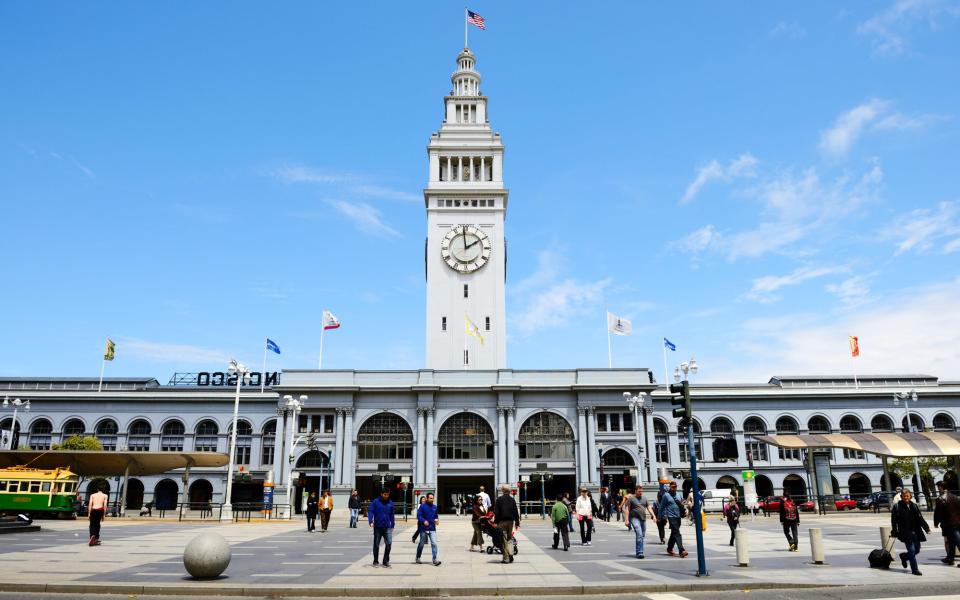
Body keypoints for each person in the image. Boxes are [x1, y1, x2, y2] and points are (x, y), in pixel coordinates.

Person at [892, 489, 930, 576]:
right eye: (904, 496)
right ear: (902, 497)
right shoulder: (897, 506)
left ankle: (904, 557)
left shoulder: (914, 506)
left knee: (917, 550)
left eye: (907, 496)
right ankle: (915, 569)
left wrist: (926, 528)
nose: (906, 498)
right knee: (912, 551)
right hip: (905, 532)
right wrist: (895, 531)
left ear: (910, 497)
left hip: (916, 531)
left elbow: (920, 518)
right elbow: (893, 521)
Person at [933, 481, 960, 566]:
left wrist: (936, 523)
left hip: (952, 524)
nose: (938, 488)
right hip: (951, 523)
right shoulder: (952, 497)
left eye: (938, 487)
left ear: (941, 487)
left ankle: (950, 558)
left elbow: (937, 512)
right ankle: (950, 558)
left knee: (958, 541)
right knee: (951, 541)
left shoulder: (946, 498)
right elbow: (937, 512)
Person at [657, 481, 688, 558]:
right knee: (677, 533)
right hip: (671, 517)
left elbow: (682, 504)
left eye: (675, 487)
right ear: (670, 487)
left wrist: (685, 511)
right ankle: (682, 550)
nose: (674, 488)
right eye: (673, 487)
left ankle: (669, 548)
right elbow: (661, 507)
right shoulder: (666, 496)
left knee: (674, 533)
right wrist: (659, 517)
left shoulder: (679, 494)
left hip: (678, 517)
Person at [368, 488, 395, 568]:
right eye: (385, 494)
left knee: (389, 544)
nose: (386, 496)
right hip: (378, 527)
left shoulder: (390, 502)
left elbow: (392, 514)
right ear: (381, 494)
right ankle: (375, 561)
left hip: (387, 527)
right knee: (376, 544)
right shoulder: (375, 502)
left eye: (388, 495)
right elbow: (370, 511)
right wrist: (370, 521)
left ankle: (385, 561)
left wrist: (393, 524)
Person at [626, 485, 655, 559]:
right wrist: (626, 520)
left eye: (641, 491)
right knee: (639, 534)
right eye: (639, 491)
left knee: (642, 535)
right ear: (635, 491)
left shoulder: (644, 498)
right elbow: (627, 509)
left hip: (643, 519)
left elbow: (648, 507)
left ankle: (638, 550)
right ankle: (640, 552)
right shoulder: (631, 498)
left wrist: (653, 515)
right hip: (634, 518)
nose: (641, 493)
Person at [494, 484, 520, 563]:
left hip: (502, 522)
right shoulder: (512, 500)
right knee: (510, 539)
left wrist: (496, 522)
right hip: (510, 522)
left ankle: (506, 558)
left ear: (503, 490)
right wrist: (517, 522)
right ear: (509, 491)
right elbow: (515, 512)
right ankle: (511, 554)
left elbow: (497, 512)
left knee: (503, 540)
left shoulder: (499, 499)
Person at [415, 492, 441, 566]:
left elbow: (436, 516)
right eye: (430, 498)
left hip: (432, 528)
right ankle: (418, 557)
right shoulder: (422, 507)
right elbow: (418, 516)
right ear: (427, 498)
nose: (432, 499)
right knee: (421, 544)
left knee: (434, 543)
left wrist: (437, 520)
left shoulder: (435, 507)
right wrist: (424, 521)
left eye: (432, 498)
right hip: (423, 528)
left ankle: (434, 559)